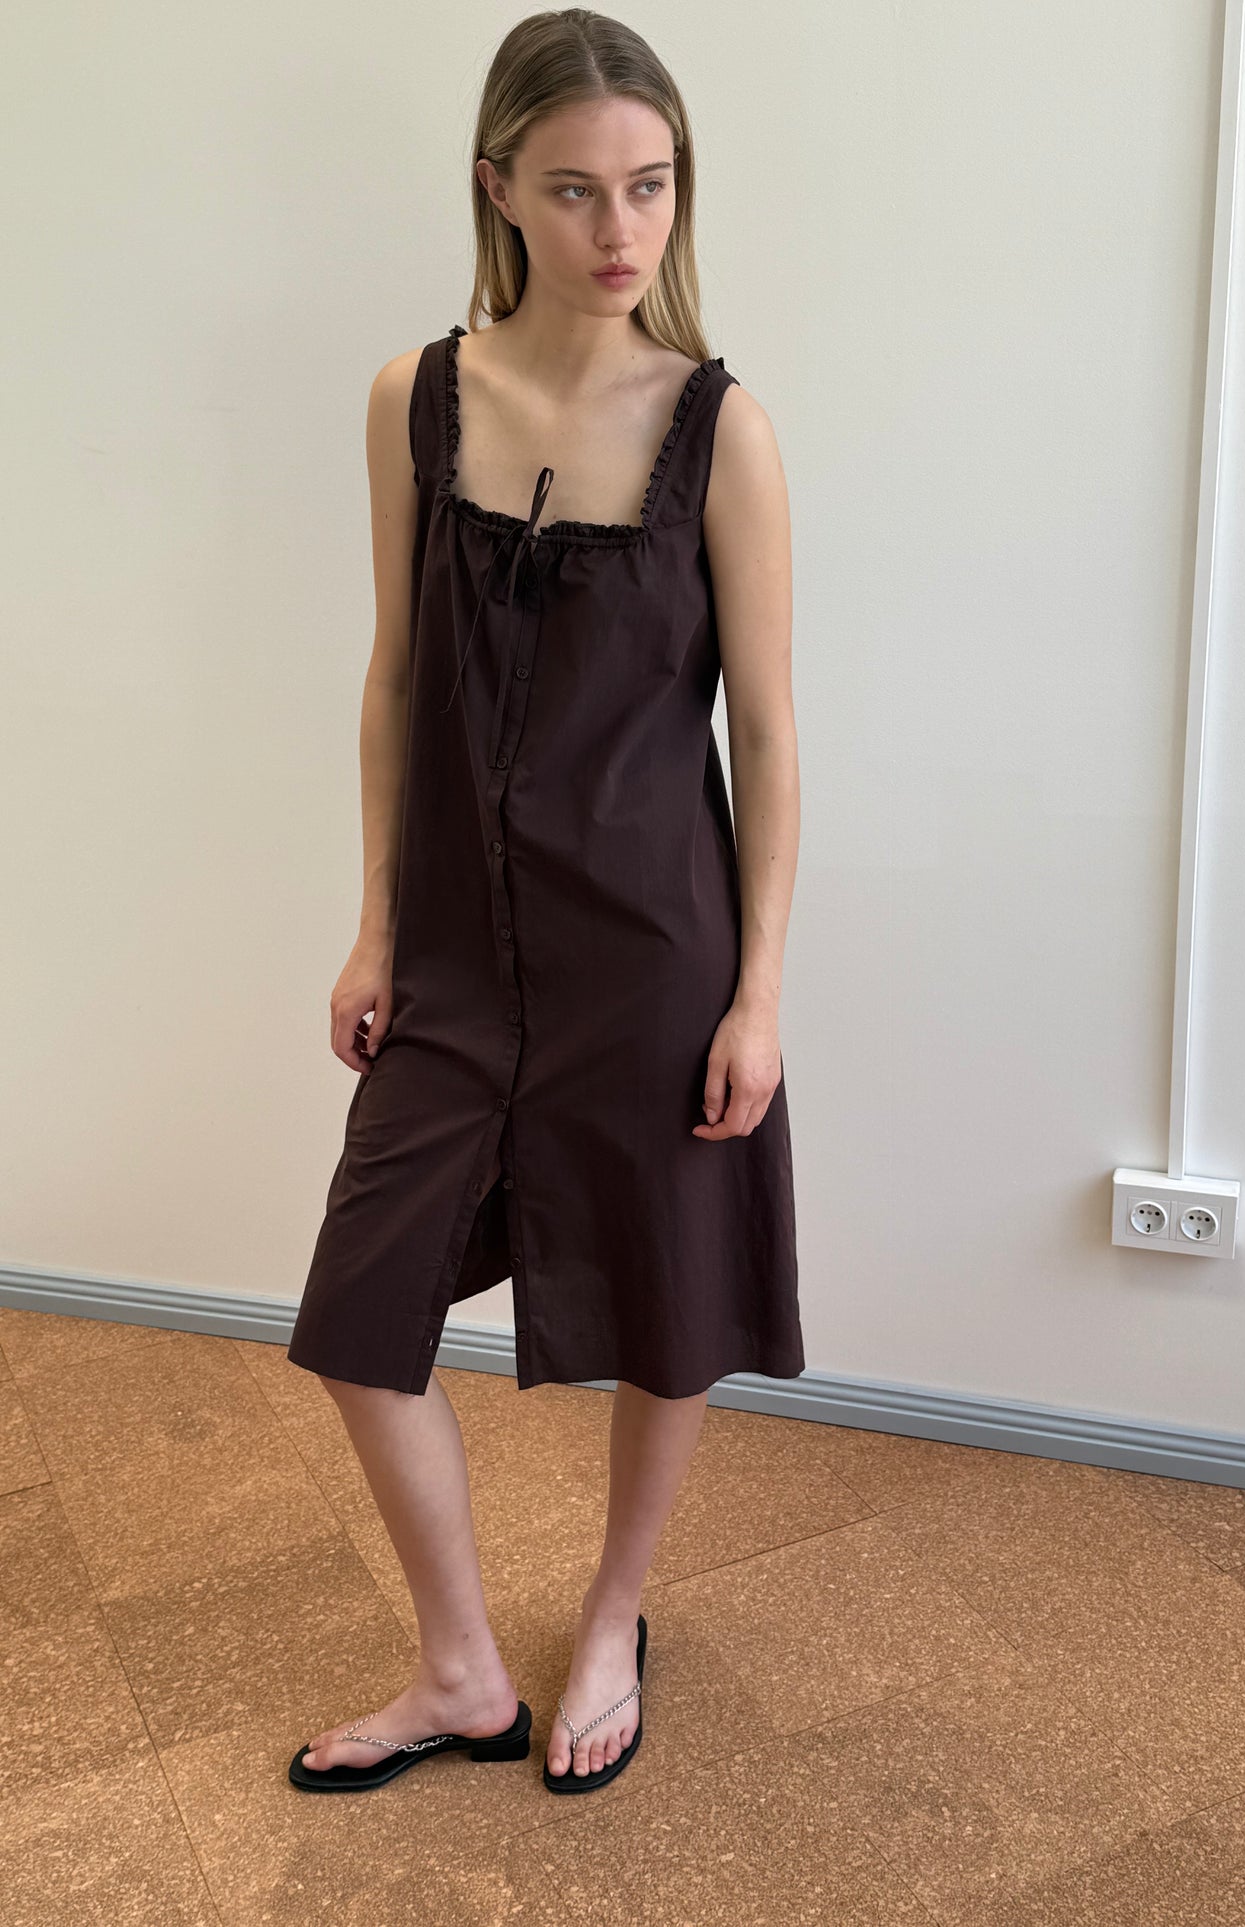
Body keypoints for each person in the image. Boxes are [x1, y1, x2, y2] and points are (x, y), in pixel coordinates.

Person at [284, 7, 804, 1796]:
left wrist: (758, 993)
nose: (619, 229)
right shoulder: (412, 400)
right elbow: (392, 679)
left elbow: (770, 732)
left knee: (668, 1301)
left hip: (654, 950)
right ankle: (457, 1675)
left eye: (650, 186)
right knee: (361, 1318)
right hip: (454, 949)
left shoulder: (721, 430)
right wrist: (375, 922)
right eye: (576, 189)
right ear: (497, 188)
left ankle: (609, 1620)